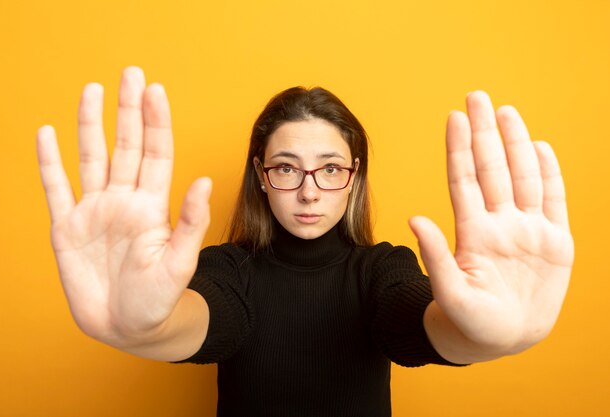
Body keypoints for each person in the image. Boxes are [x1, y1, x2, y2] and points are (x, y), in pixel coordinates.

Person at [36, 66, 574, 416]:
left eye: (330, 168)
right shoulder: (227, 269)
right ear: (261, 176)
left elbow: (420, 324)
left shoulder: (382, 270)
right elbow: (199, 320)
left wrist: (480, 337)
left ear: (355, 177)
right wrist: (145, 326)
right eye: (287, 168)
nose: (309, 192)